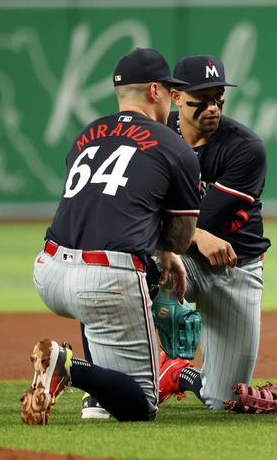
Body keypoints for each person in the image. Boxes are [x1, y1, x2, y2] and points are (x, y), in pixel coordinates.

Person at [20, 48, 201, 425]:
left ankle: (94, 396)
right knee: (141, 405)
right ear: (155, 91)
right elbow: (182, 239)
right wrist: (166, 253)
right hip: (105, 281)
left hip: (49, 271)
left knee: (105, 291)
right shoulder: (174, 146)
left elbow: (98, 205)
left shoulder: (88, 134)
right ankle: (67, 364)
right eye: (170, 91)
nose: (171, 99)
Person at [156, 54, 271, 410]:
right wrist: (194, 236)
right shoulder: (157, 138)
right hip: (182, 258)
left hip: (236, 266)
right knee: (133, 266)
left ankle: (178, 372)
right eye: (201, 100)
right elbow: (132, 214)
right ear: (176, 98)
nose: (212, 108)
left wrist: (194, 233)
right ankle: (114, 379)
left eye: (218, 99)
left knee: (224, 401)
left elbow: (206, 219)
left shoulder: (244, 148)